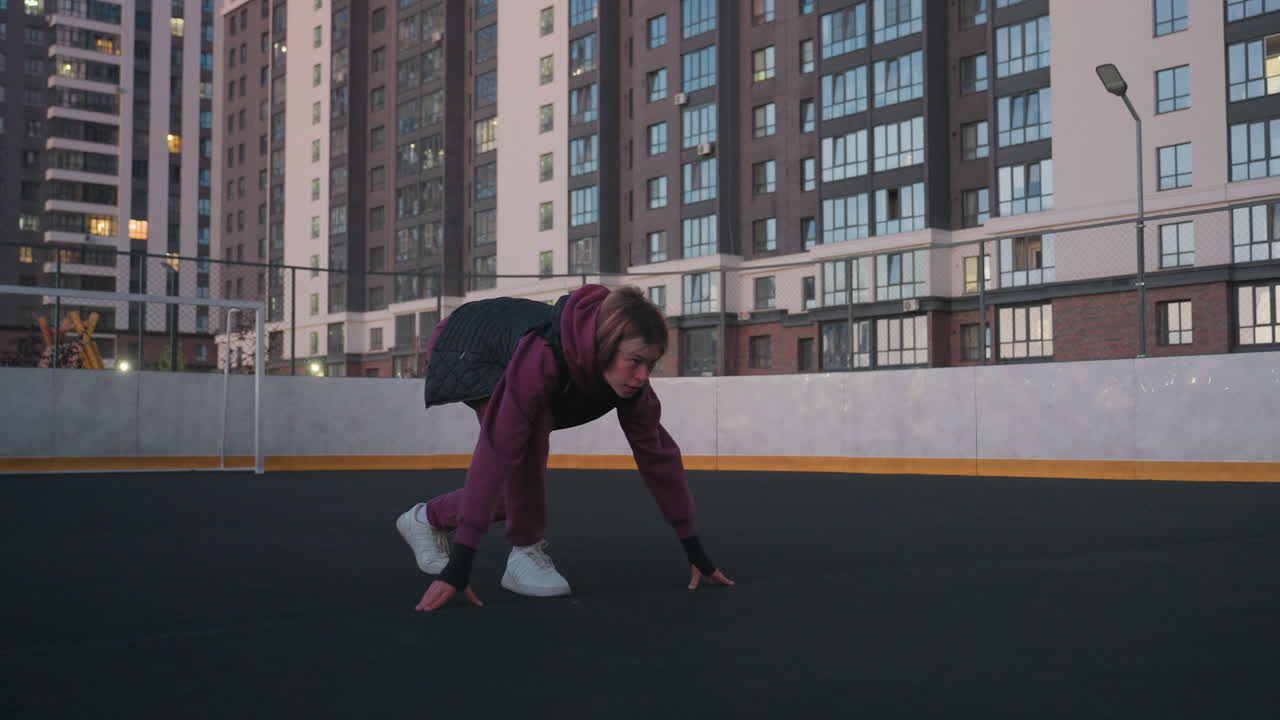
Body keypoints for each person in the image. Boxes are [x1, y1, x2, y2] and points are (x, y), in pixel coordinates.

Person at [395, 283, 733, 611]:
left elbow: (658, 459)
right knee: (526, 440)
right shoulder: (542, 355)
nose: (643, 375)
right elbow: (497, 450)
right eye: (634, 362)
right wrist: (459, 568)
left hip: (515, 349)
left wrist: (696, 553)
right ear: (604, 347)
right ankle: (524, 550)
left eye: (650, 364)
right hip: (470, 344)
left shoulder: (630, 381)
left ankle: (427, 518)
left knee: (514, 490)